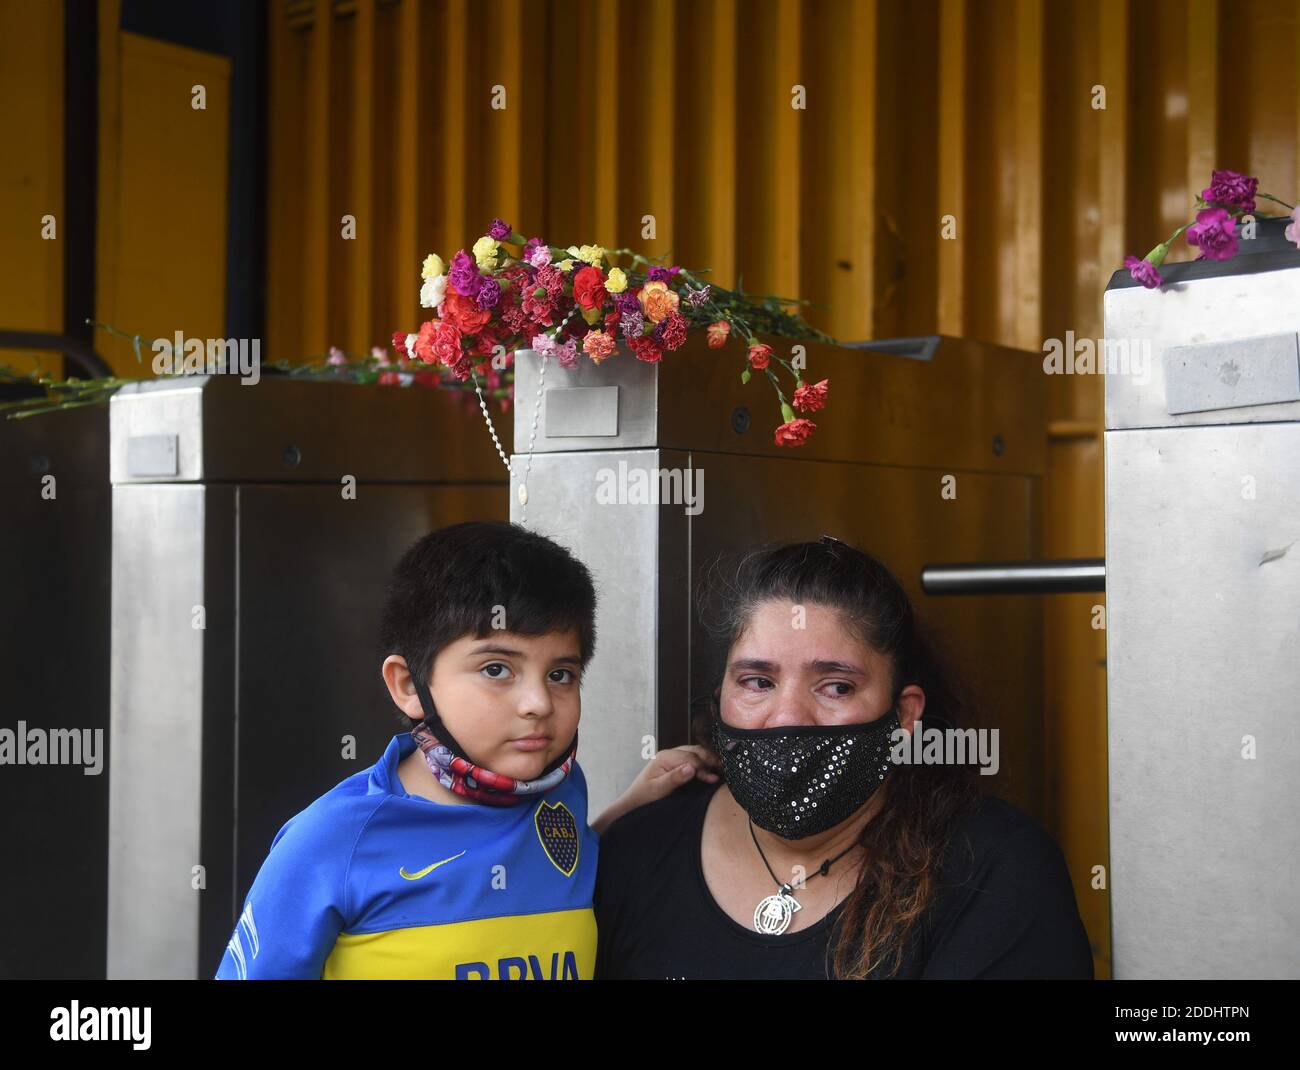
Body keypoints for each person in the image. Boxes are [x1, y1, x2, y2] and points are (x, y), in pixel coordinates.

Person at [215, 520, 715, 980]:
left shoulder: (561, 794)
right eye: (497, 669)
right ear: (409, 684)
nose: (538, 703)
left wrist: (635, 803)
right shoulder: (331, 843)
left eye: (561, 674)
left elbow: (559, 863)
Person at [594, 535, 1094, 979]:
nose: (787, 717)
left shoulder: (994, 871)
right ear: (720, 694)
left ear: (902, 715)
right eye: (758, 682)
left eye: (835, 687)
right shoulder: (637, 847)